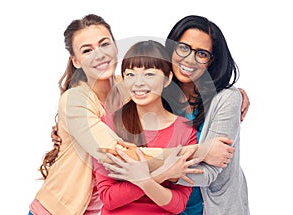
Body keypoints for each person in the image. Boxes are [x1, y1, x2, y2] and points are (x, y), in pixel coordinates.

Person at [28, 14, 216, 215]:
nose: (98, 55)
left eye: (104, 44)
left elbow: (165, 77)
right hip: (58, 210)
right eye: (87, 50)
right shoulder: (75, 100)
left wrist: (234, 95)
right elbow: (115, 153)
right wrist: (194, 154)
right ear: (76, 61)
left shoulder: (129, 86)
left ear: (116, 47)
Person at [105, 15, 250, 214]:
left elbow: (209, 173)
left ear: (211, 61)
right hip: (164, 206)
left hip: (211, 208)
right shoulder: (153, 90)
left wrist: (140, 171)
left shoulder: (226, 99)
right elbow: (98, 91)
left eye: (201, 53)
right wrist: (203, 151)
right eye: (183, 47)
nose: (189, 59)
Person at [93, 40, 202, 214]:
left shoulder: (185, 130)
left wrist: (143, 180)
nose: (138, 83)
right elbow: (108, 197)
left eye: (149, 74)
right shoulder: (109, 124)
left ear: (167, 79)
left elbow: (178, 204)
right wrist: (161, 175)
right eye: (130, 75)